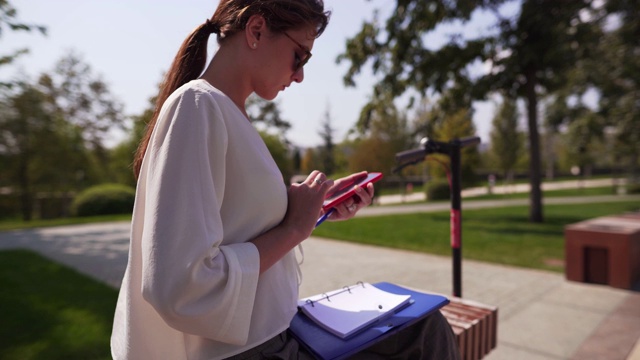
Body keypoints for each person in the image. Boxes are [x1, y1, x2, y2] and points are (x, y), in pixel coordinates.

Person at [111, 1, 460, 359]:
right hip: (251, 351)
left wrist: (313, 209)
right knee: (425, 333)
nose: (300, 75)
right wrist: (293, 229)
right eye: (300, 56)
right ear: (257, 30)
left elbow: (239, 227)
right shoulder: (197, 106)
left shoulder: (225, 113)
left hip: (271, 336)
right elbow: (181, 286)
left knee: (422, 326)